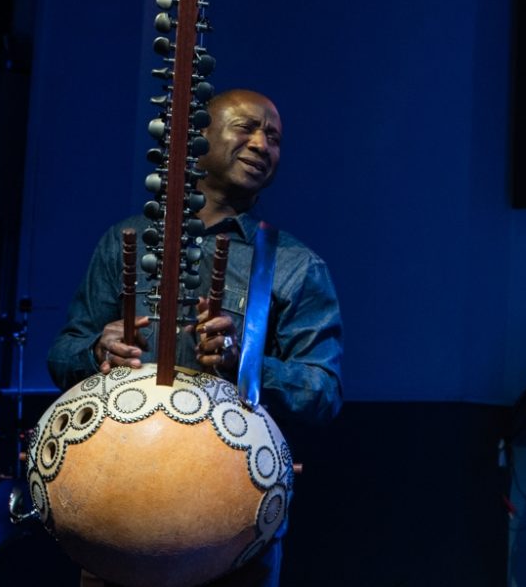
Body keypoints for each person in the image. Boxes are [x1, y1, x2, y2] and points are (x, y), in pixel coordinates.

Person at [48, 89, 343, 587]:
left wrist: (244, 363)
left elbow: (323, 391)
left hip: (231, 524)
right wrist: (97, 350)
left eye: (274, 137)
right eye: (246, 128)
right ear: (198, 137)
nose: (262, 145)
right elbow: (62, 354)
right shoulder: (125, 240)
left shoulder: (294, 265)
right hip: (117, 508)